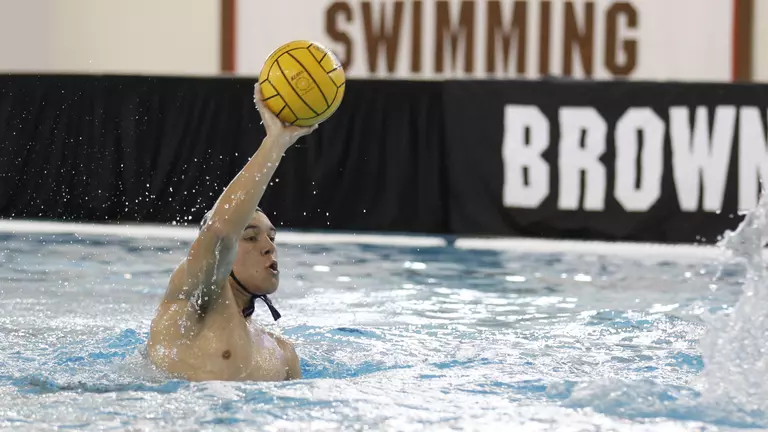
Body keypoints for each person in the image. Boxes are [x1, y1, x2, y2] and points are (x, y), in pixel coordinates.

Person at [147, 83, 318, 381]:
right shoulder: (194, 299)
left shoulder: (283, 354)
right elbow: (220, 230)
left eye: (271, 237)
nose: (268, 247)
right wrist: (275, 142)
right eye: (251, 236)